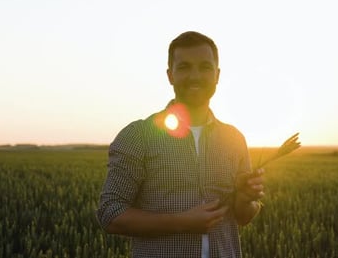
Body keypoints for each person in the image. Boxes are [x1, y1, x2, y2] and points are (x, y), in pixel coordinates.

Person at [96, 31, 264, 258]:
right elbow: (110, 213)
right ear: (170, 75)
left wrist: (245, 199)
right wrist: (182, 222)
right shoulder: (139, 136)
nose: (195, 76)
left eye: (205, 67)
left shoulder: (234, 139)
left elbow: (243, 216)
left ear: (217, 75)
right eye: (184, 67)